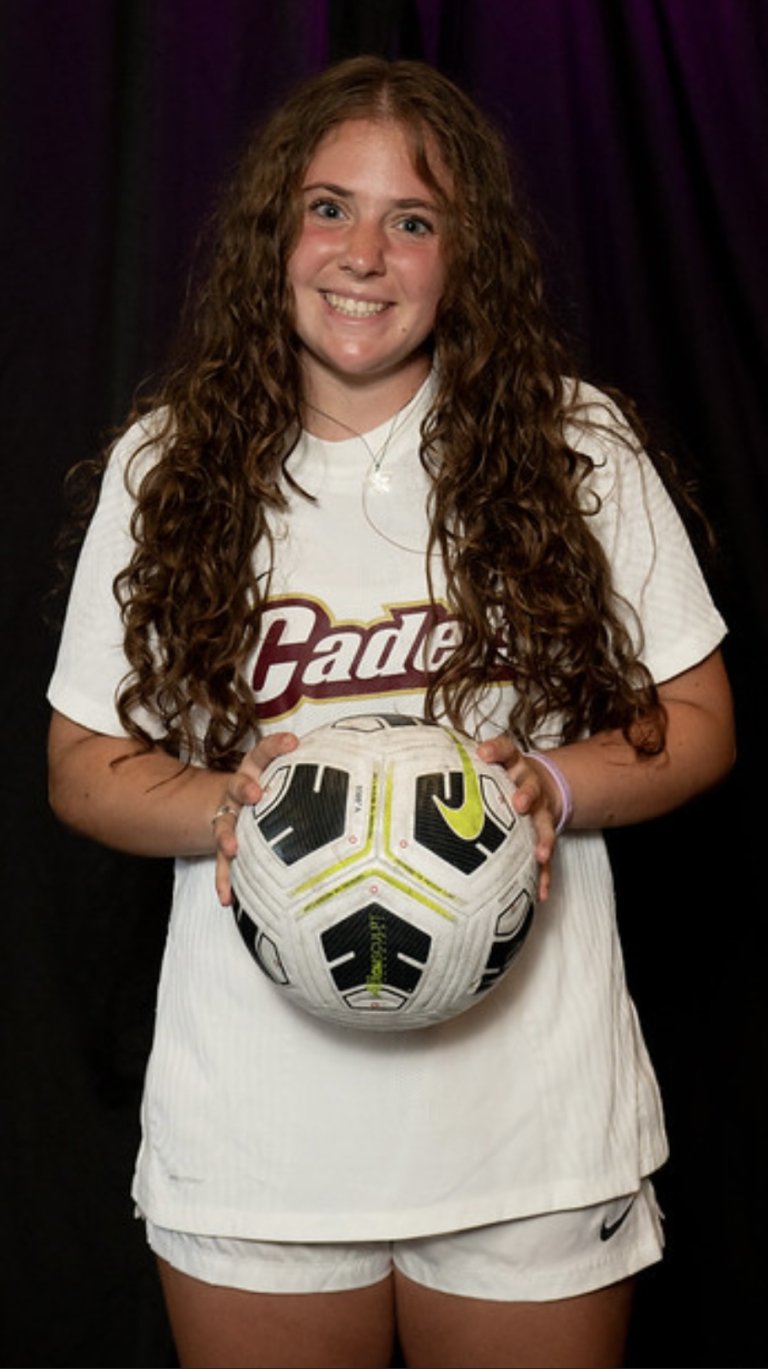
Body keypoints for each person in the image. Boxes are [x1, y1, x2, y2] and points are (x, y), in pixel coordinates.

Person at [47, 55, 734, 1369]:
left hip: (532, 1138)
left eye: (413, 220)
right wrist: (223, 805)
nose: (365, 253)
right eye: (329, 208)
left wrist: (555, 782)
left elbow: (700, 718)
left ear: (463, 256)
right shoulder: (173, 463)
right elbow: (80, 760)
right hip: (257, 1147)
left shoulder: (572, 445)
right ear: (274, 233)